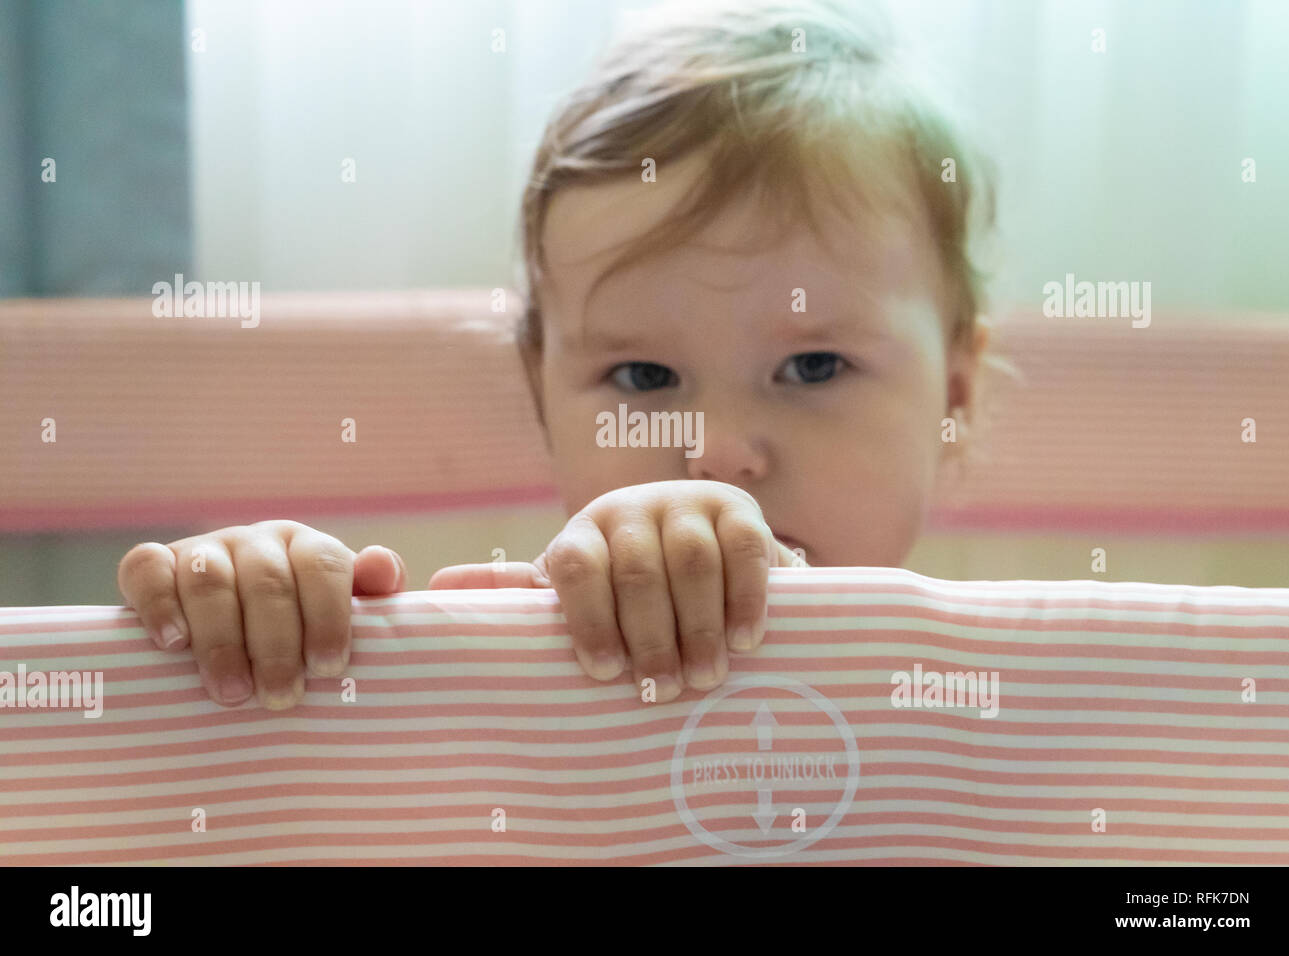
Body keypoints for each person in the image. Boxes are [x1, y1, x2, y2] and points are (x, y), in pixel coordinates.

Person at [117, 0, 997, 711]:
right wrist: (261, 615)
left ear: (954, 394)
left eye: (814, 367)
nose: (720, 458)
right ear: (543, 399)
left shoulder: (1002, 699)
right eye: (645, 377)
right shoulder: (497, 656)